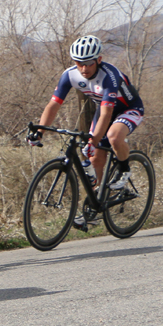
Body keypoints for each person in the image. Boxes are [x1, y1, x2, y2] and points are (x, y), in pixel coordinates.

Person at [27, 35, 143, 231]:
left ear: (98, 59)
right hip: (104, 110)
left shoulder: (109, 75)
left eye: (88, 63)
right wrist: (40, 131)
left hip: (127, 109)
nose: (83, 68)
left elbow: (107, 112)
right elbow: (54, 104)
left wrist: (95, 139)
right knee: (94, 158)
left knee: (113, 137)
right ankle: (95, 208)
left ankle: (124, 169)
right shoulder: (70, 75)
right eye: (79, 63)